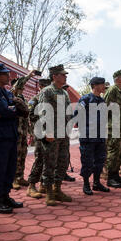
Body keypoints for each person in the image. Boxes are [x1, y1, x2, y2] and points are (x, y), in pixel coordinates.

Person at [0, 63, 28, 214]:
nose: (8, 76)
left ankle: (5, 196)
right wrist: (12, 110)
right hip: (0, 136)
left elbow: (16, 110)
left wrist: (12, 109)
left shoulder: (7, 93)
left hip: (11, 135)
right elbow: (3, 111)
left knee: (10, 168)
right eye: (4, 74)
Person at [38, 64, 73, 206]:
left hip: (63, 133)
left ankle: (57, 189)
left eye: (65, 75)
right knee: (50, 162)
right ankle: (49, 192)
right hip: (52, 133)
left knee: (63, 161)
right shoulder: (47, 91)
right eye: (63, 74)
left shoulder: (64, 93)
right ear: (54, 76)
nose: (65, 76)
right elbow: (43, 112)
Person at [75, 77, 110, 195]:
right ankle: (86, 184)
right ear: (95, 85)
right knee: (87, 161)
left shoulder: (102, 101)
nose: (104, 87)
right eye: (102, 84)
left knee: (100, 160)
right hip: (88, 137)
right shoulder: (86, 99)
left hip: (100, 136)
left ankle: (96, 183)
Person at [11, 71, 37, 190]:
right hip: (16, 131)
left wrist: (30, 132)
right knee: (15, 156)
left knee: (22, 155)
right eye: (20, 85)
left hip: (23, 131)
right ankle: (13, 179)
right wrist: (29, 76)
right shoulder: (12, 95)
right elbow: (19, 84)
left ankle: (20, 177)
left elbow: (27, 117)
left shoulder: (23, 99)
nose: (22, 87)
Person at [104, 70, 121, 188]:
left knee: (119, 153)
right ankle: (110, 178)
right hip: (113, 126)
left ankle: (115, 175)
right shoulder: (112, 90)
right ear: (117, 78)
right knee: (113, 153)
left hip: (120, 126)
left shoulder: (120, 91)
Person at [26, 78, 51, 198]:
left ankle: (43, 184)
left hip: (50, 133)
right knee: (39, 158)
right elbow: (31, 115)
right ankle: (31, 186)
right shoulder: (35, 100)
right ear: (41, 87)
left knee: (48, 159)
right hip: (40, 133)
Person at [62, 83, 76, 182]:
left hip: (65, 130)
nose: (66, 90)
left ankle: (63, 172)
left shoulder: (66, 100)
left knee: (65, 153)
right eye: (64, 88)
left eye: (66, 88)